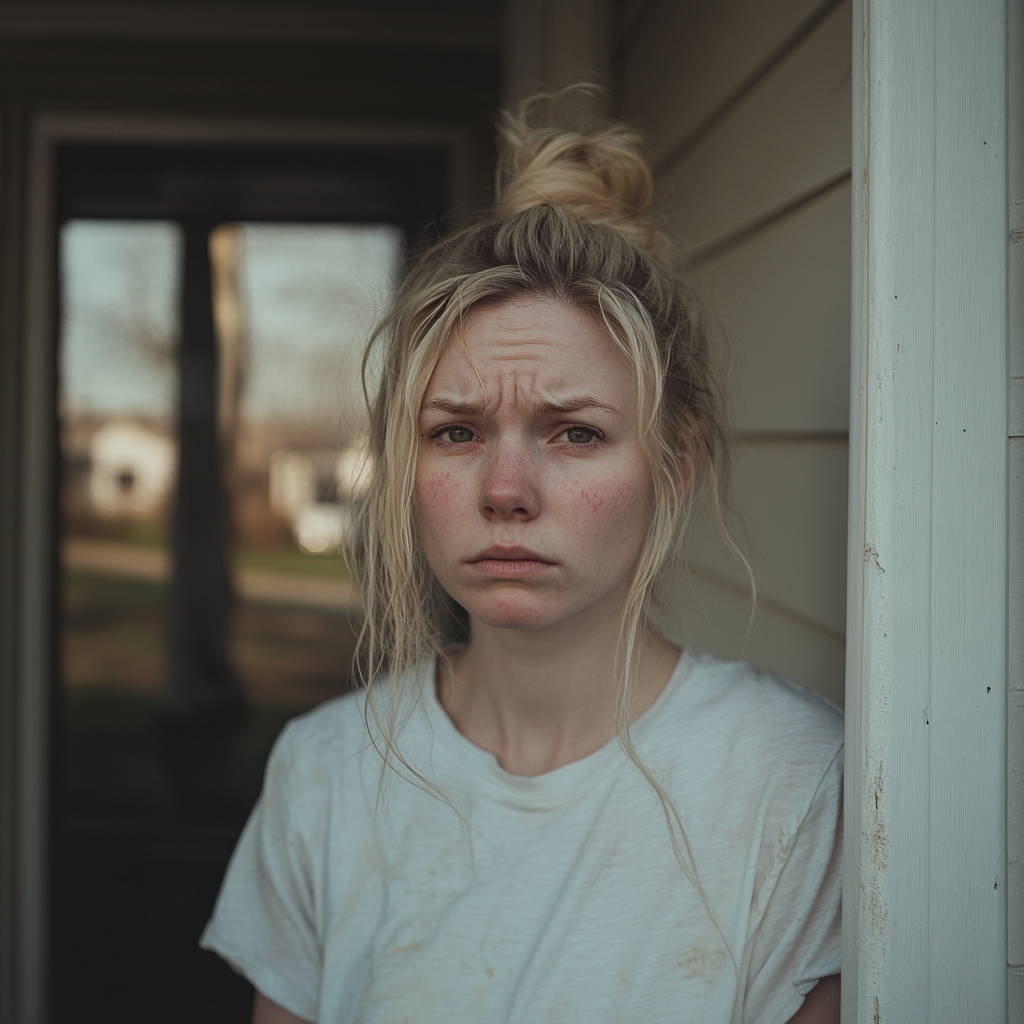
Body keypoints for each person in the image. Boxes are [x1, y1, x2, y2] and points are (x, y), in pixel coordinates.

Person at [200, 94, 843, 1024]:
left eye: (575, 433)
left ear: (676, 462)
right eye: (456, 431)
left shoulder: (793, 782)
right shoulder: (327, 775)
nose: (506, 488)